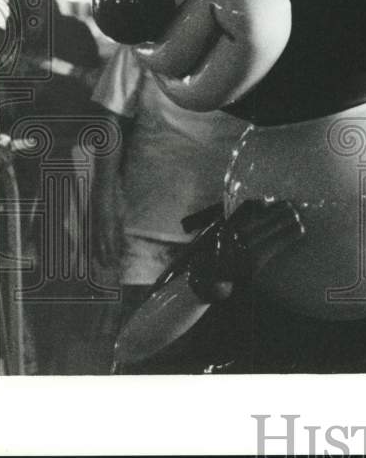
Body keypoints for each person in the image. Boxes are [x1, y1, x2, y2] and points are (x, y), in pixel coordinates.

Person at [90, 45, 251, 325]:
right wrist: (102, 200)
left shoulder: (253, 35)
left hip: (223, 224)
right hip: (146, 222)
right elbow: (111, 118)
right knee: (143, 325)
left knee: (211, 331)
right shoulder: (141, 39)